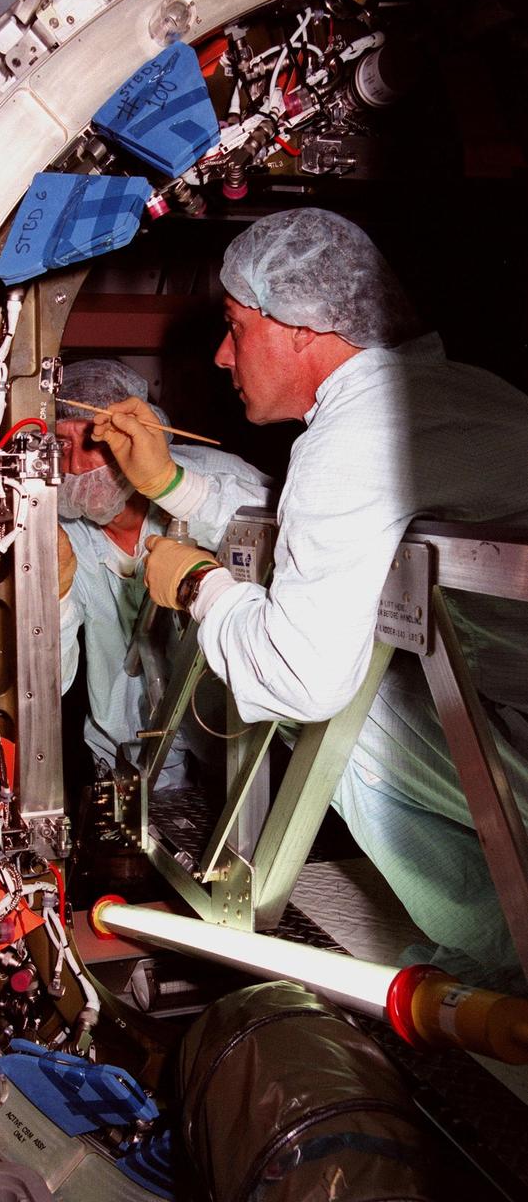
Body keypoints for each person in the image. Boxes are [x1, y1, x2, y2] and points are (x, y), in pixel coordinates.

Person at [91, 208, 528, 989]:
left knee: (333, 710)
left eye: (233, 326)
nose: (223, 357)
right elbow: (327, 539)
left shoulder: (354, 435)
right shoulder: (446, 392)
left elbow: (295, 672)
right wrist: (171, 488)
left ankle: (501, 952)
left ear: (299, 326)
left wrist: (198, 585)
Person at [56, 358, 272, 791]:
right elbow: (49, 683)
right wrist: (56, 594)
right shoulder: (60, 530)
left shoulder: (218, 486)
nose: (77, 466)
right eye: (61, 445)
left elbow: (300, 554)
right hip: (130, 755)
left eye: (96, 442)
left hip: (240, 738)